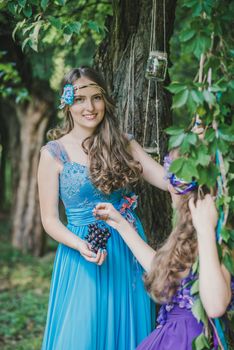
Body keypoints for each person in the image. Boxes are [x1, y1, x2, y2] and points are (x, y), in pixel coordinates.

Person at [38, 66, 167, 350]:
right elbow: (49, 219)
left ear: (105, 100)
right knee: (82, 332)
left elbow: (164, 179)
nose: (90, 107)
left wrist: (193, 169)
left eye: (96, 98)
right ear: (67, 103)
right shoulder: (53, 153)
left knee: (126, 328)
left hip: (127, 246)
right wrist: (80, 244)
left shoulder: (122, 143)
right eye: (81, 99)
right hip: (81, 252)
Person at [94, 151, 233, 349]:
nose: (167, 186)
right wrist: (121, 224)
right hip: (169, 336)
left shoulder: (219, 235)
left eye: (171, 178)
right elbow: (163, 270)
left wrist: (206, 232)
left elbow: (216, 305)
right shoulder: (185, 231)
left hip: (193, 340)